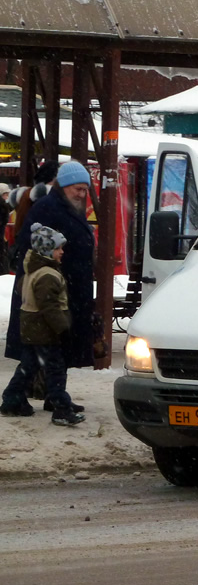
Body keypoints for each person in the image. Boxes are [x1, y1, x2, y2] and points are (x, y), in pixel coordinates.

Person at [5, 161, 97, 390]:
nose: (82, 194)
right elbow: (36, 249)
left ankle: (46, 396)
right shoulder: (49, 208)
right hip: (52, 290)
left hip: (65, 287)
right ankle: (40, 397)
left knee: (51, 350)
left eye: (85, 189)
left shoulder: (65, 207)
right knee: (47, 349)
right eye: (78, 189)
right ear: (63, 185)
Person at [0, 224, 85, 425]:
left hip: (31, 328)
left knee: (29, 365)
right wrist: (62, 328)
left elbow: (23, 291)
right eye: (58, 248)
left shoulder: (32, 271)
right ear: (47, 250)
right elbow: (50, 307)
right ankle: (60, 407)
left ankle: (12, 398)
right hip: (46, 331)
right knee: (55, 369)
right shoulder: (48, 275)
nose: (62, 252)